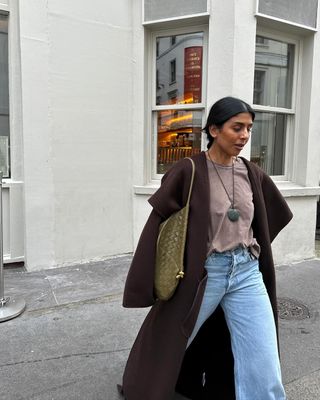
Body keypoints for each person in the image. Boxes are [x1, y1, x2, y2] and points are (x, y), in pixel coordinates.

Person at [119, 97, 293, 400]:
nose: (244, 136)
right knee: (170, 339)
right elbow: (159, 226)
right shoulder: (188, 170)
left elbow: (269, 218)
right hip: (206, 274)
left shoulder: (252, 173)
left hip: (247, 274)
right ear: (214, 129)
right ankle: (143, 388)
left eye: (249, 129)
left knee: (263, 356)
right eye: (236, 128)